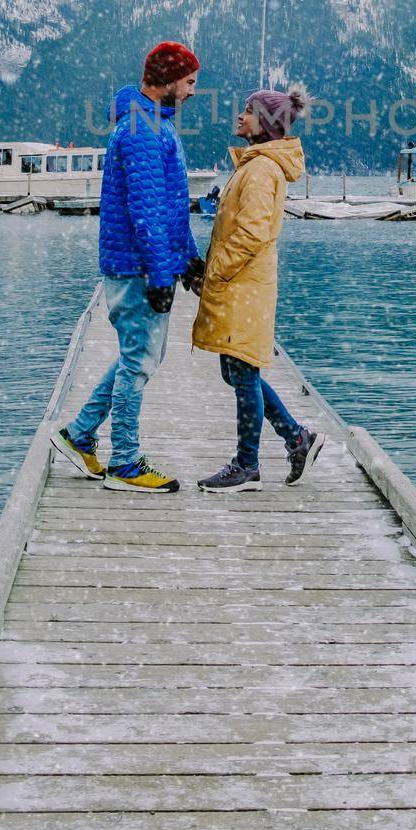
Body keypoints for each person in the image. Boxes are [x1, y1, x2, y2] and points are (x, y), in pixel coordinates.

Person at [50, 41, 204, 493]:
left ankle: (79, 434)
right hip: (135, 267)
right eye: (190, 82)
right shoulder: (141, 129)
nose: (194, 92)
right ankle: (125, 464)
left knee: (138, 357)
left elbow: (173, 206)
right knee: (138, 362)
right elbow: (145, 210)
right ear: (169, 79)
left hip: (142, 264)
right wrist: (160, 275)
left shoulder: (153, 123)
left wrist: (188, 258)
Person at [192, 85, 324, 493]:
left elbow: (251, 234)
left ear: (264, 123)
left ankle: (247, 465)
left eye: (247, 112)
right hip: (242, 284)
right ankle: (295, 437)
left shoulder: (262, 169)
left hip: (244, 285)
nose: (240, 117)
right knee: (237, 371)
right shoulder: (254, 165)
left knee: (244, 372)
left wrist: (216, 272)